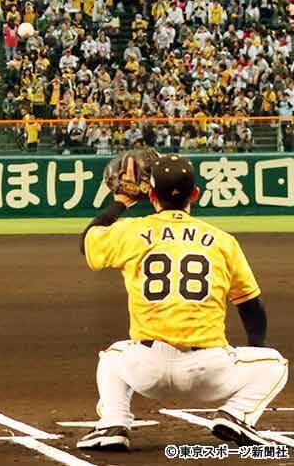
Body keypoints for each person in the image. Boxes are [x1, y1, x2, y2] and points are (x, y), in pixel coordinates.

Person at [77, 154, 288, 451]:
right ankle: (237, 414)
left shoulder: (130, 231)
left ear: (150, 194)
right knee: (274, 364)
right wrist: (254, 345)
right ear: (195, 194)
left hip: (147, 370)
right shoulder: (222, 241)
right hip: (208, 373)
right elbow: (251, 307)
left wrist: (122, 201)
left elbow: (87, 241)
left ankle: (114, 423)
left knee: (113, 356)